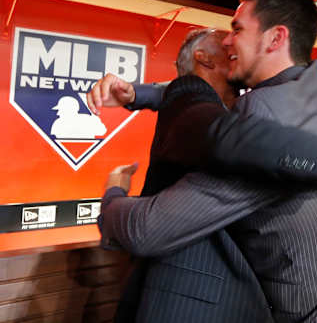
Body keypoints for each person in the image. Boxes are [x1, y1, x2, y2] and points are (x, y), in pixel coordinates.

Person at [91, 0, 317, 323]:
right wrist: (140, 94)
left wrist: (112, 194)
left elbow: (148, 228)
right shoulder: (297, 91)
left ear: (275, 38)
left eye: (237, 29)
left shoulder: (261, 118)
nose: (229, 40)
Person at [106, 28, 275, 323]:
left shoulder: (234, 106)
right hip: (192, 300)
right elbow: (185, 90)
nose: (234, 45)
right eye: (226, 44)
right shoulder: (190, 99)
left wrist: (136, 93)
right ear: (204, 58)